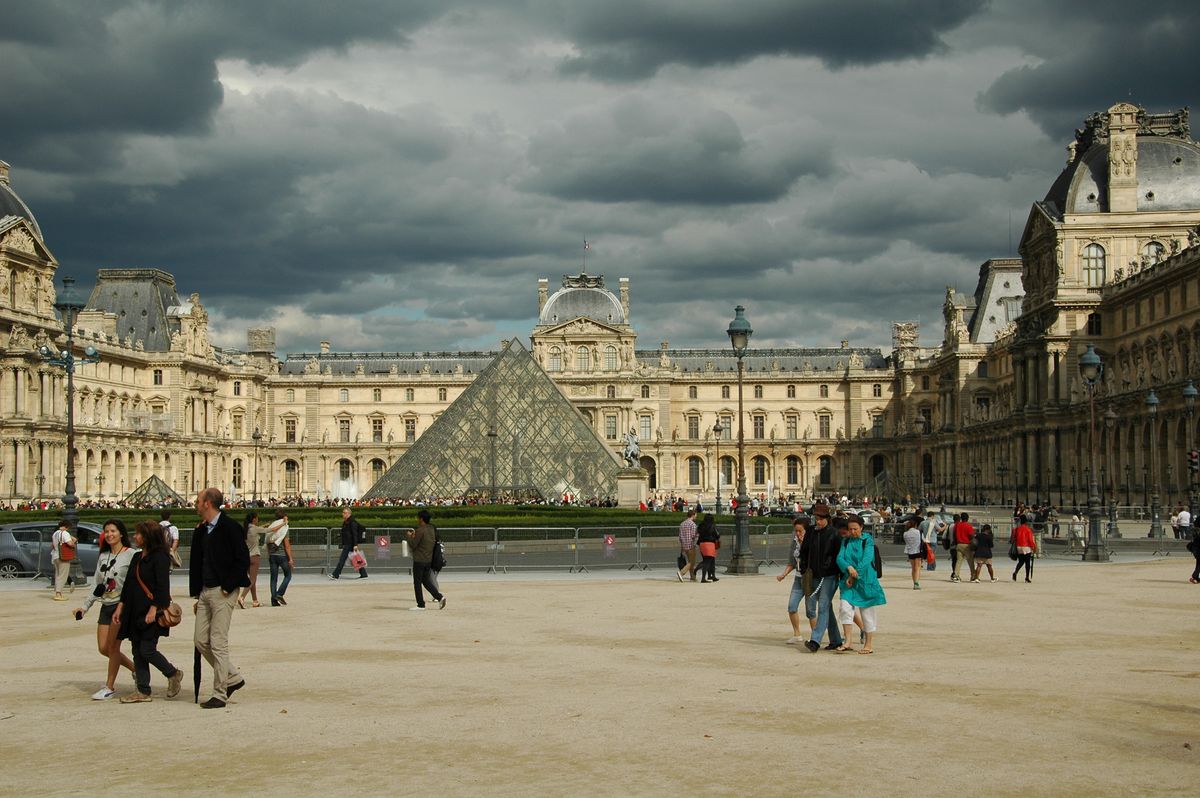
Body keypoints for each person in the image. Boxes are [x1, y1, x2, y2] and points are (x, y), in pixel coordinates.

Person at [190, 487, 250, 709]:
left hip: (223, 591)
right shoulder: (203, 530)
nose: (195, 504)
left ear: (208, 503)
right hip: (206, 591)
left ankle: (220, 693)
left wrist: (228, 586)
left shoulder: (230, 527)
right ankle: (232, 677)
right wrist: (198, 593)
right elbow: (200, 562)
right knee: (200, 641)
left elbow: (242, 559)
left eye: (198, 500)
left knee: (218, 642)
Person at [114, 520, 184, 703]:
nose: (134, 537)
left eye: (138, 534)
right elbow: (128, 585)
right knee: (137, 649)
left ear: (147, 537)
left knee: (146, 649)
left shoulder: (160, 557)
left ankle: (173, 673)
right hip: (134, 609)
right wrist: (120, 607)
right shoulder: (137, 557)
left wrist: (153, 609)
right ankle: (143, 691)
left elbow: (162, 586)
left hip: (151, 610)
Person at [73, 519, 137, 700]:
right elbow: (97, 583)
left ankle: (109, 686)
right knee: (103, 648)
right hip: (106, 604)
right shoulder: (103, 556)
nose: (109, 534)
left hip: (121, 605)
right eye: (106, 531)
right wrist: (84, 607)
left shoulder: (131, 554)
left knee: (113, 647)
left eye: (113, 531)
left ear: (121, 533)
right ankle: (135, 669)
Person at [798, 503, 845, 653]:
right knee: (827, 608)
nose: (817, 522)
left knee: (823, 605)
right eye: (815, 518)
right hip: (814, 574)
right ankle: (836, 640)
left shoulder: (834, 533)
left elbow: (840, 556)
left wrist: (841, 574)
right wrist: (804, 567)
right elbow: (804, 551)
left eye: (820, 519)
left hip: (829, 575)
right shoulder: (811, 532)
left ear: (827, 519)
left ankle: (815, 640)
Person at [836, 514, 886, 654]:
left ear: (861, 527)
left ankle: (868, 644)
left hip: (865, 581)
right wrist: (848, 568)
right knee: (845, 608)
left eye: (855, 529)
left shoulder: (867, 541)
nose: (852, 532)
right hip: (848, 581)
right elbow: (839, 558)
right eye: (850, 529)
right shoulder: (845, 542)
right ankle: (848, 641)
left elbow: (866, 560)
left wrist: (854, 575)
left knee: (867, 613)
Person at [776, 516, 815, 643]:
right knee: (792, 606)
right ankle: (797, 633)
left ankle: (815, 636)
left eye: (800, 531)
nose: (798, 534)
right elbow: (792, 562)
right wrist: (784, 574)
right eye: (796, 531)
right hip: (798, 579)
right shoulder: (795, 542)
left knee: (810, 610)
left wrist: (805, 544)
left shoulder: (812, 541)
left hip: (809, 578)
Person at [405, 509, 446, 610]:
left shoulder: (420, 530)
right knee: (426, 581)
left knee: (417, 583)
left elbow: (413, 545)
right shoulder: (431, 529)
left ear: (421, 519)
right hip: (428, 560)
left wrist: (409, 537)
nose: (417, 520)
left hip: (419, 560)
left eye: (418, 518)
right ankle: (439, 597)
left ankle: (420, 604)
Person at [265, 510, 294, 606]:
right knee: (288, 575)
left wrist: (270, 554)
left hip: (272, 555)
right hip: (281, 555)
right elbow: (287, 545)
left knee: (273, 578)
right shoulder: (284, 527)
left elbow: (267, 542)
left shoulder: (272, 526)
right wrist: (290, 558)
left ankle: (273, 600)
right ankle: (279, 594)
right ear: (284, 517)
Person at [330, 507, 368, 579]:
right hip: (349, 543)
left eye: (345, 513)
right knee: (356, 558)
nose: (343, 514)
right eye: (343, 512)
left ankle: (336, 574)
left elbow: (354, 534)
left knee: (342, 559)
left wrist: (355, 545)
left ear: (349, 514)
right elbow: (347, 532)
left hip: (350, 544)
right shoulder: (346, 521)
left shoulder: (352, 522)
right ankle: (363, 573)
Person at [238, 511, 266, 608]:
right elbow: (271, 529)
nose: (258, 520)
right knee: (252, 580)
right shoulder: (255, 529)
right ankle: (242, 597)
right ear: (254, 519)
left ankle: (255, 600)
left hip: (247, 557)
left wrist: (264, 526)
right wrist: (284, 523)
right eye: (257, 518)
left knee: (252, 580)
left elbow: (258, 529)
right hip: (255, 556)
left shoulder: (246, 529)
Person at [51, 519, 75, 601]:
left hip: (55, 556)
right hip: (63, 556)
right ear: (66, 527)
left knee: (58, 575)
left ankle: (57, 592)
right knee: (63, 575)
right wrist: (73, 542)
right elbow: (70, 543)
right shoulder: (65, 533)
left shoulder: (55, 533)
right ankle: (58, 593)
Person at [1012, 515, 1037, 583]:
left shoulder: (1017, 529)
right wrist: (1034, 547)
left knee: (1021, 561)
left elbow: (1014, 538)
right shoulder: (1028, 529)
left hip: (1019, 546)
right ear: (1026, 521)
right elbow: (1030, 540)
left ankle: (1016, 572)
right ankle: (1027, 577)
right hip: (1026, 547)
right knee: (1027, 562)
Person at [695, 513, 720, 583]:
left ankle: (712, 576)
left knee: (708, 560)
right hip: (710, 543)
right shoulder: (712, 526)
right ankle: (703, 577)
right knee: (709, 561)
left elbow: (698, 533)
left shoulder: (701, 525)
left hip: (702, 544)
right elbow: (717, 535)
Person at [952, 512, 975, 583]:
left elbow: (954, 535)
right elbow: (971, 536)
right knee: (970, 561)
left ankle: (956, 576)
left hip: (959, 544)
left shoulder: (957, 525)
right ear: (967, 518)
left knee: (959, 561)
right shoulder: (968, 526)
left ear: (961, 518)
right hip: (966, 545)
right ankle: (973, 576)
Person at [677, 509, 698, 582]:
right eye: (695, 515)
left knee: (690, 562)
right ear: (693, 515)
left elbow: (680, 536)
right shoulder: (693, 524)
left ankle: (692, 577)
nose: (696, 516)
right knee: (692, 562)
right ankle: (681, 572)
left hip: (684, 545)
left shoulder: (682, 524)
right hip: (691, 545)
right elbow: (693, 535)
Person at [902, 517, 923, 589]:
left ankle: (914, 582)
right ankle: (916, 583)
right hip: (917, 550)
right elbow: (921, 540)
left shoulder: (905, 533)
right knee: (918, 567)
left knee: (913, 568)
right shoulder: (917, 532)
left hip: (910, 551)